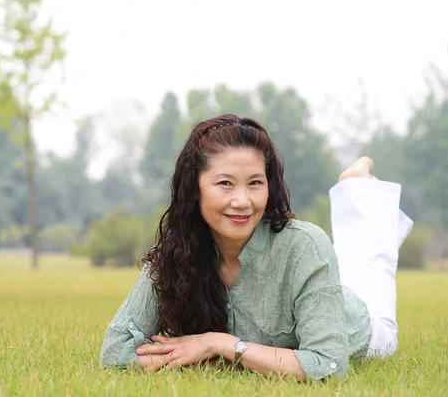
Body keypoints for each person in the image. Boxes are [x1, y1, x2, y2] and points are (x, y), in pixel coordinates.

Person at [100, 114, 413, 381]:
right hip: (310, 296)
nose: (242, 201)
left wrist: (221, 345)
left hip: (362, 329)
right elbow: (115, 352)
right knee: (350, 261)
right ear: (195, 189)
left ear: (269, 185)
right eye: (225, 183)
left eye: (255, 183)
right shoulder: (176, 251)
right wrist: (200, 359)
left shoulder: (304, 245)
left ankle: (357, 186)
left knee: (371, 266)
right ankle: (354, 188)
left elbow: (329, 366)